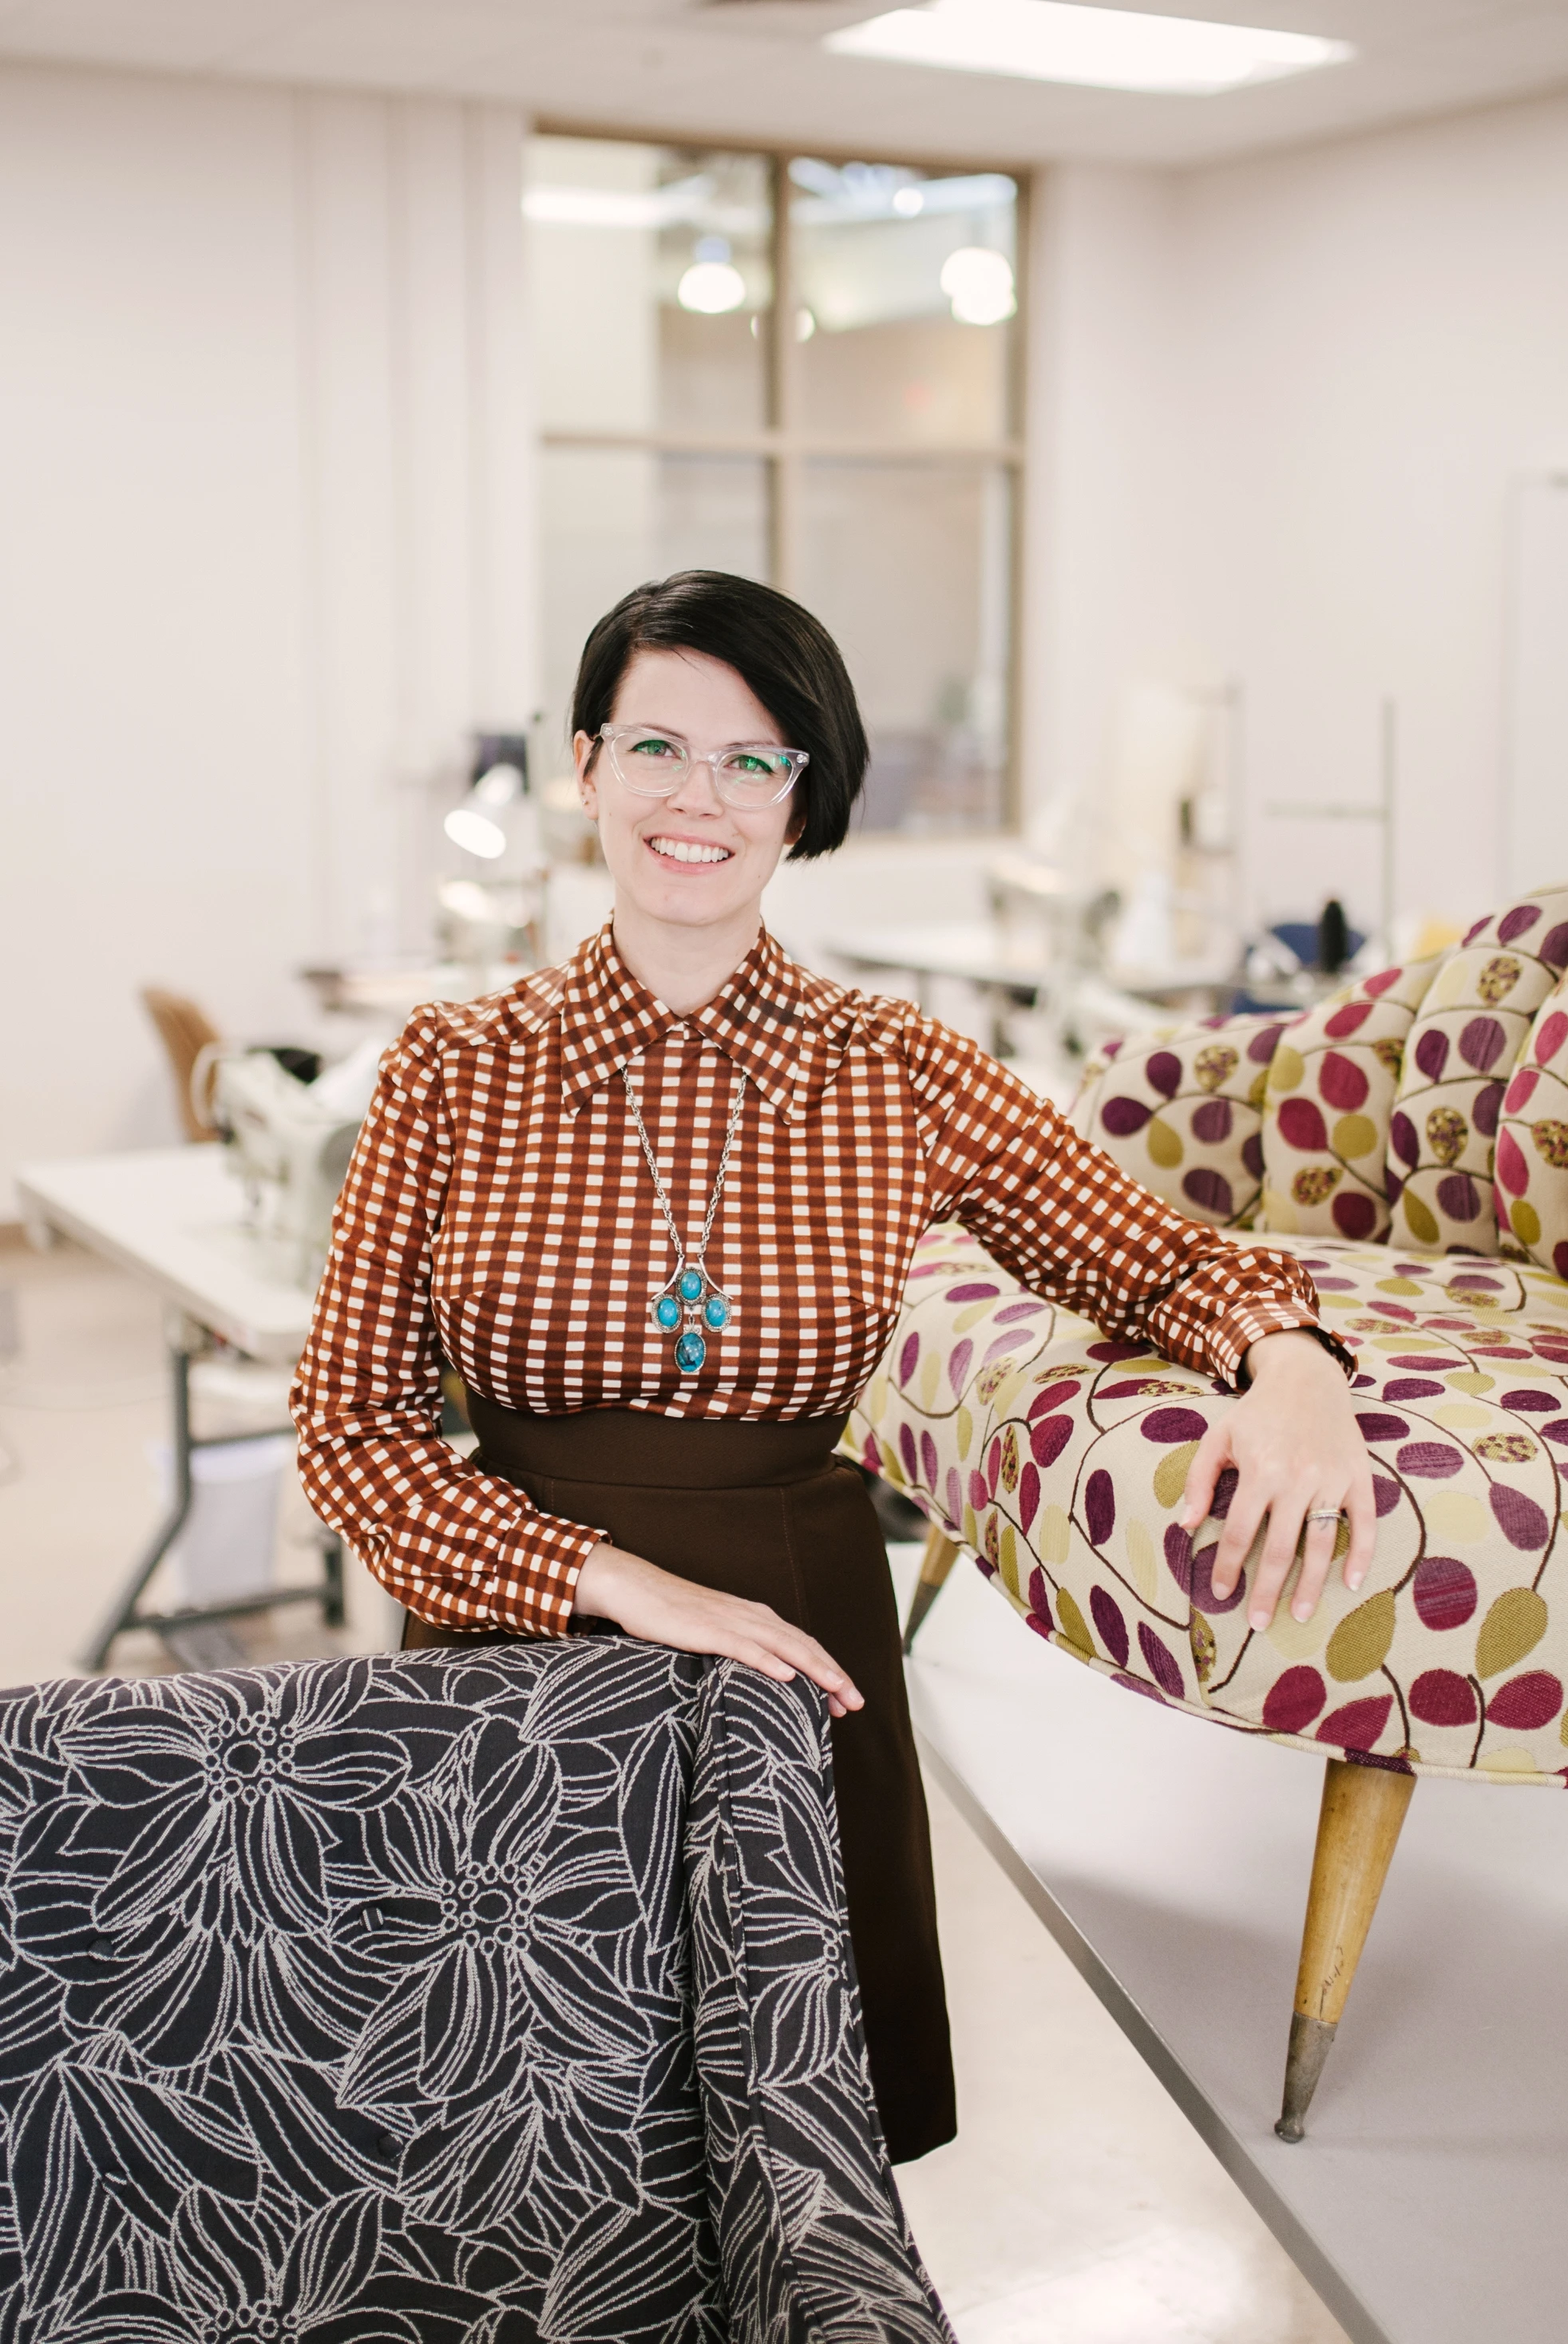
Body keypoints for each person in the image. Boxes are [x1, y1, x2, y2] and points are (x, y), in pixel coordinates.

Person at [291, 569, 1374, 2165]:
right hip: (505, 1650)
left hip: (799, 1663)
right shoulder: (455, 1070)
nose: (697, 798)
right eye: (656, 745)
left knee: (792, 2154)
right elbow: (349, 1431)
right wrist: (605, 1575)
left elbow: (1158, 1261)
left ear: (807, 801)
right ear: (583, 767)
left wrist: (1291, 1364)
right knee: (515, 2140)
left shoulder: (902, 1067)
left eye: (754, 759)